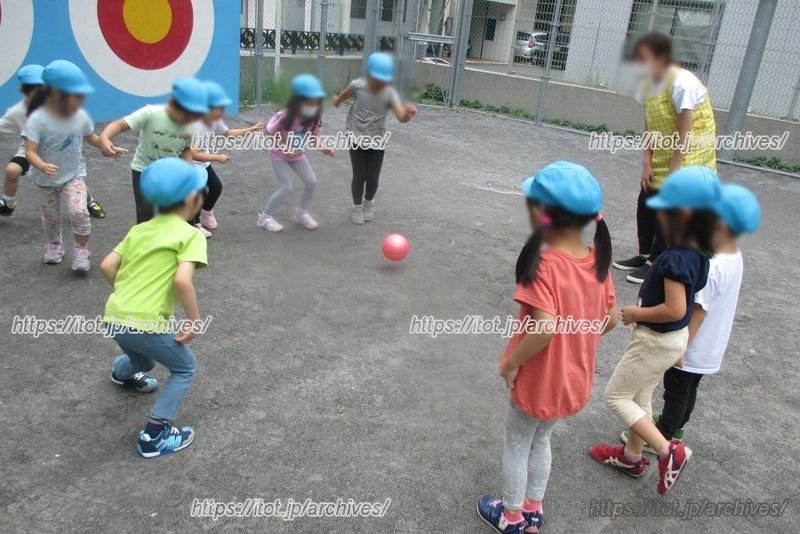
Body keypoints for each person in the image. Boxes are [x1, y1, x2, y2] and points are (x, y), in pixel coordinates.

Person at [477, 162, 617, 534]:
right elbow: (611, 319)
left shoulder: (544, 265)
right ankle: (533, 509)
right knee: (543, 438)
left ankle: (511, 517)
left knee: (518, 442)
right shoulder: (596, 260)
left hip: (540, 377)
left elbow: (544, 328)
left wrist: (511, 364)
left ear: (543, 213)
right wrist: (580, 339)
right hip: (573, 378)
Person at [591, 166, 720, 495]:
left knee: (616, 396)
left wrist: (635, 313)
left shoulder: (677, 257)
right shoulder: (698, 253)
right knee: (641, 395)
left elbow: (676, 309)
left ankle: (667, 451)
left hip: (655, 341)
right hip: (669, 342)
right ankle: (632, 457)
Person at [620, 183, 761, 451]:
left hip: (691, 344)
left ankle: (663, 435)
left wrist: (682, 346)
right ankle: (677, 425)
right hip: (712, 345)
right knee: (688, 390)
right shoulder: (734, 256)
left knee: (676, 391)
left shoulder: (715, 263)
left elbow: (697, 310)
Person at [100, 158, 208, 458]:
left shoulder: (140, 230)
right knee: (185, 368)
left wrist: (127, 296)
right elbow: (183, 281)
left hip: (115, 316)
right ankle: (155, 435)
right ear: (192, 199)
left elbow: (107, 265)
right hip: (147, 323)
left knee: (144, 361)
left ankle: (122, 374)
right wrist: (195, 320)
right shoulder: (190, 235)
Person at [613, 31, 717, 284]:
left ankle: (656, 262)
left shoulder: (683, 82)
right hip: (664, 148)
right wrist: (646, 163)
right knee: (647, 196)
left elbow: (686, 130)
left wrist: (675, 171)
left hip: (691, 149)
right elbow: (649, 125)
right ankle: (644, 253)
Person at [22, 60, 124, 271]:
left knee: (79, 212)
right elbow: (30, 151)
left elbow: (91, 137)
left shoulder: (80, 117)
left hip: (73, 175)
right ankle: (54, 244)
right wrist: (41, 165)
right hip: (45, 179)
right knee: (50, 218)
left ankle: (81, 249)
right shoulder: (36, 120)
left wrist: (106, 145)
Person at [0, 65, 106, 218]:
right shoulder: (17, 112)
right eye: (31, 89)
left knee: (71, 180)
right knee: (12, 170)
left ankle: (89, 201)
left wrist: (104, 143)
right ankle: (8, 203)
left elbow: (87, 134)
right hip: (31, 149)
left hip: (58, 150)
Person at [99, 77, 208, 223]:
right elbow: (120, 125)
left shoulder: (190, 126)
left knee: (174, 215)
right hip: (143, 170)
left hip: (171, 173)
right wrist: (105, 137)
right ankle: (143, 243)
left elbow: (186, 150)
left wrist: (188, 173)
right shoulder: (151, 112)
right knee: (145, 214)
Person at [332, 52, 416, 224]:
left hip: (377, 140)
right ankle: (357, 207)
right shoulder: (357, 85)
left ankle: (368, 202)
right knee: (359, 174)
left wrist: (408, 114)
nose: (381, 83)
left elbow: (401, 117)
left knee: (373, 177)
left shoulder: (389, 93)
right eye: (378, 79)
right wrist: (337, 100)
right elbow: (342, 96)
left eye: (385, 80)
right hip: (356, 136)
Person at [256, 74, 333, 232]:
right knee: (286, 187)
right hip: (279, 155)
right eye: (310, 99)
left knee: (311, 182)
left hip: (297, 155)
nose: (314, 103)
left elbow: (314, 136)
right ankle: (264, 218)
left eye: (317, 99)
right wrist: (284, 147)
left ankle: (301, 213)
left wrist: (324, 147)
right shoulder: (285, 115)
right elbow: (269, 132)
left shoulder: (313, 116)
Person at [190, 80, 264, 237]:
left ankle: (207, 212)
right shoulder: (197, 125)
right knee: (200, 192)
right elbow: (193, 154)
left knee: (216, 187)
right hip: (190, 165)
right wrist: (217, 157)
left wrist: (250, 129)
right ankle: (195, 224)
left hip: (203, 163)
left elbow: (228, 133)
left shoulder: (214, 121)